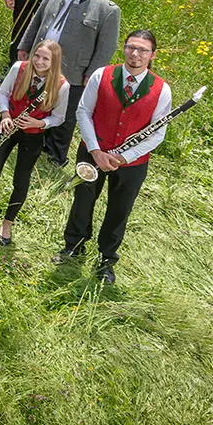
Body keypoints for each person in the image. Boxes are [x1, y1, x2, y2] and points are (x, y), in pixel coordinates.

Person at [56, 29, 173, 285]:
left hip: (131, 164)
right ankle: (73, 246)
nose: (136, 54)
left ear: (152, 55)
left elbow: (157, 134)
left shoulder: (162, 89)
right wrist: (96, 150)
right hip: (93, 151)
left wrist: (124, 157)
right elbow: (84, 111)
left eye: (143, 50)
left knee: (119, 211)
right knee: (82, 201)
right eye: (131, 47)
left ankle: (106, 259)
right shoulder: (102, 74)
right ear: (124, 48)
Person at [13, 0, 120, 166]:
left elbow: (106, 47)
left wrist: (93, 73)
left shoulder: (106, 9)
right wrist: (24, 46)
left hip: (74, 72)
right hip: (41, 63)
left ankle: (56, 155)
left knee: (66, 114)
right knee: (36, 101)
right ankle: (30, 141)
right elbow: (37, 20)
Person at [0, 40, 69, 245]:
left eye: (46, 59)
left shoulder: (62, 85)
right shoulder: (19, 68)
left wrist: (39, 122)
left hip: (33, 133)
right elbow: (3, 93)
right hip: (7, 125)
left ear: (54, 61)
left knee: (21, 179)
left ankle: (8, 222)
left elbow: (59, 117)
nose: (39, 62)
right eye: (37, 56)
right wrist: (5, 115)